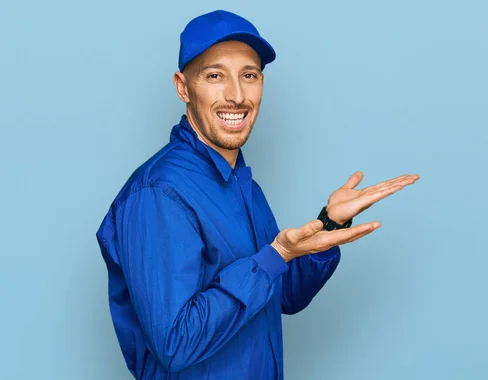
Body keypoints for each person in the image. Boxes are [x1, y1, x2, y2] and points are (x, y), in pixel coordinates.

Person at [96, 9, 419, 380]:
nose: (236, 95)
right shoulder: (159, 195)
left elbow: (283, 296)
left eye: (248, 76)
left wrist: (329, 225)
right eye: (215, 76)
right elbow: (176, 343)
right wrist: (275, 255)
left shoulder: (242, 185)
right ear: (183, 87)